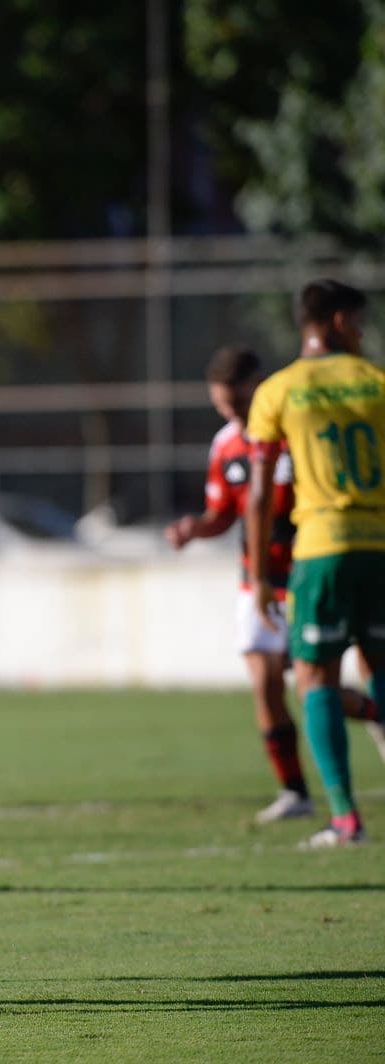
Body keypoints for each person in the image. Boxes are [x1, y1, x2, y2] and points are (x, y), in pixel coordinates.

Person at [166, 345, 385, 825]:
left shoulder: (296, 433)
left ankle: (372, 711)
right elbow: (223, 513)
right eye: (223, 408)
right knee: (266, 683)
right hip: (255, 579)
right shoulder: (226, 445)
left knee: (319, 681)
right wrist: (194, 529)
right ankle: (294, 792)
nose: (233, 416)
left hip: (308, 569)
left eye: (238, 405)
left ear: (258, 388)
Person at [246, 278, 385, 849]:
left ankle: (346, 819)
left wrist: (258, 575)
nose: (360, 332)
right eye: (355, 322)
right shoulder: (376, 381)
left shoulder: (279, 390)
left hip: (322, 551)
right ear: (331, 321)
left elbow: (260, 492)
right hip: (379, 546)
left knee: (315, 678)